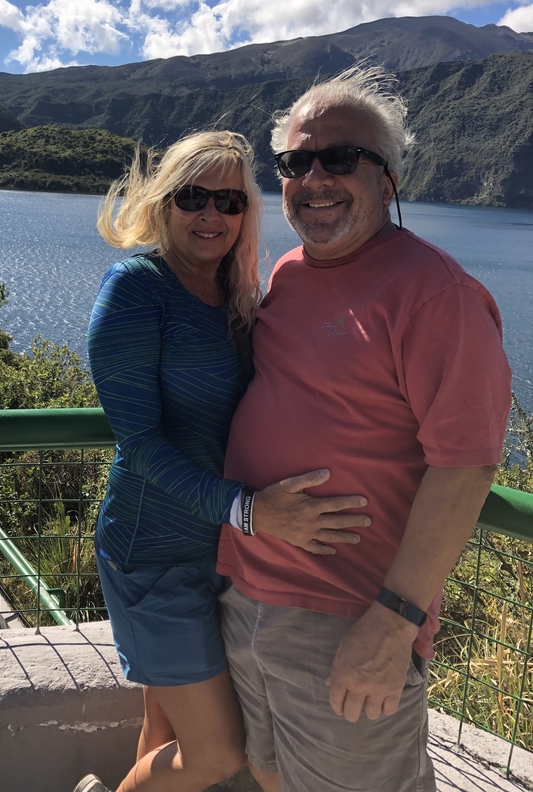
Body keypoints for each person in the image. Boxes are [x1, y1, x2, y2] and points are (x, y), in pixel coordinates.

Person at [217, 67, 512, 792]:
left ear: (389, 178)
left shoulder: (434, 293)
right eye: (296, 162)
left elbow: (468, 465)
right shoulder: (284, 274)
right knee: (267, 773)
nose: (315, 178)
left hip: (348, 620)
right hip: (245, 595)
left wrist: (394, 623)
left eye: (341, 158)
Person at [78, 131, 372, 792]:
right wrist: (247, 510)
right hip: (152, 554)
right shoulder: (136, 290)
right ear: (163, 202)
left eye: (229, 201)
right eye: (193, 197)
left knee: (166, 732)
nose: (212, 215)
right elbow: (141, 445)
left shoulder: (233, 296)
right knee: (218, 753)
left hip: (216, 553)